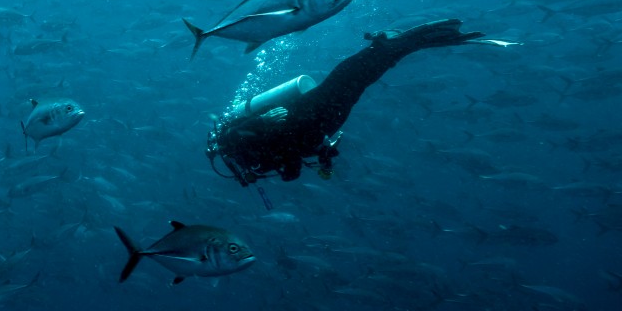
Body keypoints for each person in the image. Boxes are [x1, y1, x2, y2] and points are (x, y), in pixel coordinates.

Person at [209, 18, 489, 185]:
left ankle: (388, 46)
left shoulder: (229, 145)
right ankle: (403, 47)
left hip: (300, 116)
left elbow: (236, 133)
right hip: (318, 129)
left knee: (344, 81)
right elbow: (290, 167)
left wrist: (262, 120)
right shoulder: (254, 165)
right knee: (354, 84)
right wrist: (323, 155)